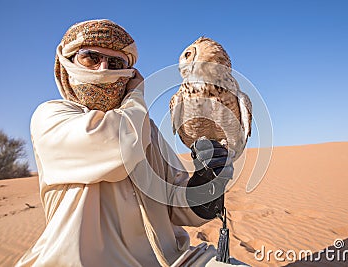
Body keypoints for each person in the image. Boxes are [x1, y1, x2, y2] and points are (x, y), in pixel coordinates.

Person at [16, 19, 239, 267]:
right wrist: (135, 97)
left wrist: (205, 188)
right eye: (90, 57)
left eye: (115, 63)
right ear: (67, 62)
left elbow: (175, 205)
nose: (103, 69)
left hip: (171, 260)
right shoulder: (51, 117)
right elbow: (120, 146)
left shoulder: (145, 128)